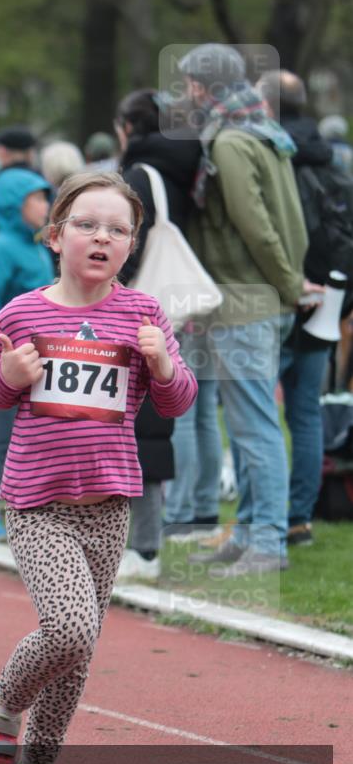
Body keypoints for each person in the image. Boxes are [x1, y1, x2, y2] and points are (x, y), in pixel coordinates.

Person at [0, 170, 197, 764]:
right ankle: (0, 708)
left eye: (117, 230)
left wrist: (162, 363)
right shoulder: (23, 312)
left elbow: (177, 402)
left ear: (131, 246)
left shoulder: (143, 314)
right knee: (69, 629)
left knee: (81, 647)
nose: (101, 238)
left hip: (108, 503)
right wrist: (10, 376)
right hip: (37, 503)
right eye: (87, 225)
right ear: (55, 235)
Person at [179, 44, 310, 575]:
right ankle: (250, 533)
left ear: (203, 86)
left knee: (255, 429)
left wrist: (287, 283)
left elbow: (255, 226)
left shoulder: (230, 141)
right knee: (248, 426)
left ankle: (268, 544)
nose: (186, 93)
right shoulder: (264, 131)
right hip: (259, 296)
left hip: (245, 299)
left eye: (189, 83)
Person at [114, 89, 218, 567]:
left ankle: (156, 529)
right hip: (186, 301)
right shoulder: (187, 166)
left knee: (152, 417)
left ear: (128, 127)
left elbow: (129, 248)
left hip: (149, 308)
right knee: (194, 410)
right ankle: (194, 510)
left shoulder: (141, 175)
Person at [256, 70, 332, 545]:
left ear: (267, 106)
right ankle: (300, 518)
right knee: (305, 413)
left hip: (277, 296)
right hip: (326, 298)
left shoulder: (268, 154)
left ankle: (262, 521)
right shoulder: (332, 159)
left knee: (258, 414)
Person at [0, 167, 54, 541]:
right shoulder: (0, 248)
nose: (45, 206)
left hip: (43, 363)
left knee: (38, 435)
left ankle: (28, 507)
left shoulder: (39, 248)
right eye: (36, 199)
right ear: (12, 204)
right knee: (1, 435)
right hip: (8, 363)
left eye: (45, 197)